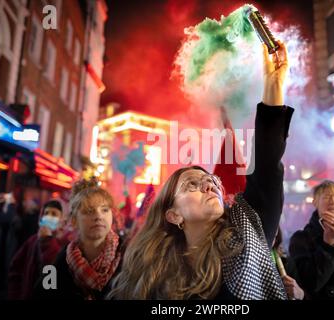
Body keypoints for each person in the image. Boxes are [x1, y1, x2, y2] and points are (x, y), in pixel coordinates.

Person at [109, 41, 293, 300]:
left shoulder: (250, 228)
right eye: (191, 185)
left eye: (211, 181)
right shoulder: (150, 280)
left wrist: (273, 84)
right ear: (173, 215)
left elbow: (267, 165)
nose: (210, 186)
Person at [33, 179, 124, 300]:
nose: (98, 216)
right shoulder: (62, 260)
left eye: (104, 210)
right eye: (89, 211)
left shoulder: (127, 255)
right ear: (74, 221)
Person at [8, 200, 65, 299]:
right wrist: (15, 293)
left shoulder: (64, 243)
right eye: (46, 213)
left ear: (62, 220)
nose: (49, 217)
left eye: (54, 214)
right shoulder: (33, 240)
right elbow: (15, 268)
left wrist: (47, 242)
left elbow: (52, 276)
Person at [271, 227, 304, 300]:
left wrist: (300, 294)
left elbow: (302, 294)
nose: (271, 241)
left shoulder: (286, 262)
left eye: (274, 236)